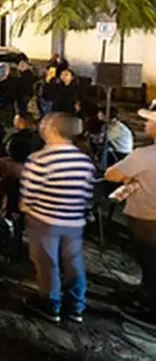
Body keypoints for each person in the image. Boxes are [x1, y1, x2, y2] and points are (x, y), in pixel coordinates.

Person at [20, 112, 96, 324]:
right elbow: (87, 193)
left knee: (47, 263)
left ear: (53, 130)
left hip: (45, 220)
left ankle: (51, 304)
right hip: (73, 220)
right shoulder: (84, 161)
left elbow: (30, 194)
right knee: (73, 262)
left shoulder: (40, 159)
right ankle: (76, 306)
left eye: (45, 124)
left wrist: (25, 207)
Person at [104, 101, 156, 328]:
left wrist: (130, 177)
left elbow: (111, 174)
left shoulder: (144, 155)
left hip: (147, 219)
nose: (146, 124)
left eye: (150, 121)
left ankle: (151, 310)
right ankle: (146, 293)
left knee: (150, 260)